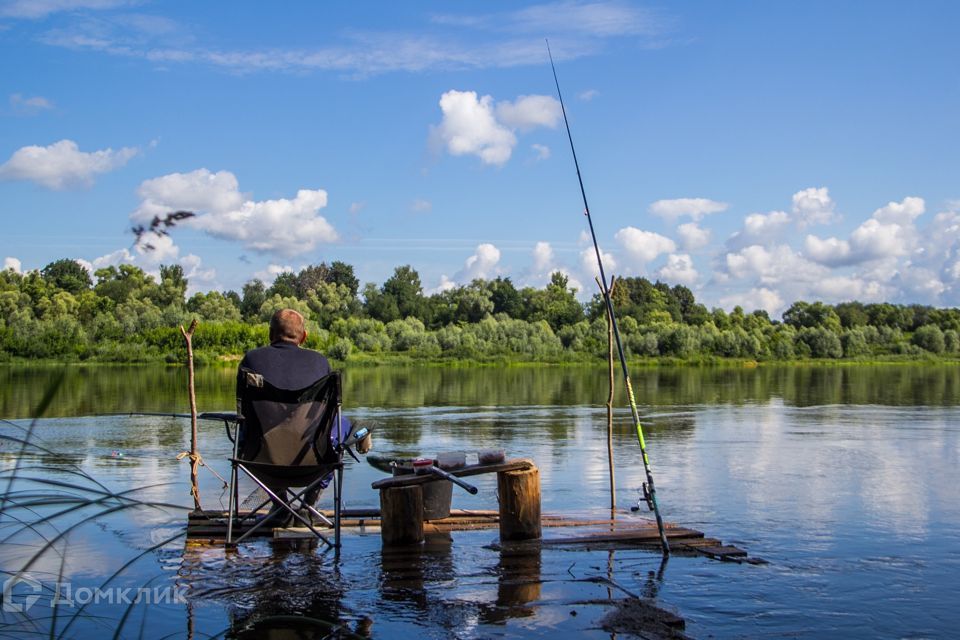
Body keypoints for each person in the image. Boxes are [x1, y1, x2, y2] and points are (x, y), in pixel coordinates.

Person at [237, 308, 369, 524]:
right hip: (314, 465)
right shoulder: (320, 363)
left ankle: (280, 505)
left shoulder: (251, 360)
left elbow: (242, 415)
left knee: (251, 427)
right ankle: (308, 506)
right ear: (304, 336)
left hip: (260, 463)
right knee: (336, 429)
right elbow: (328, 420)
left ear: (270, 334)